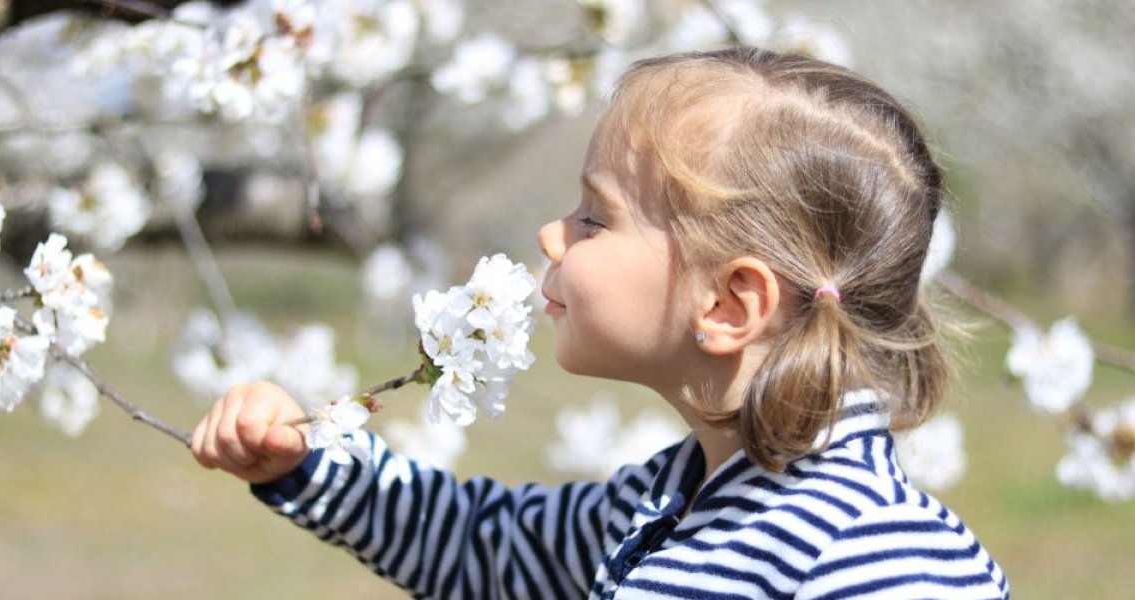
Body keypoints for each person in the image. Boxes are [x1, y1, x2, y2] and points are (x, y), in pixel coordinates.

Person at [191, 46, 1010, 599]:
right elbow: (484, 549)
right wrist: (308, 463)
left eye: (594, 218)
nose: (553, 235)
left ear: (728, 304)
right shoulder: (666, 500)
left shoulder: (884, 561)